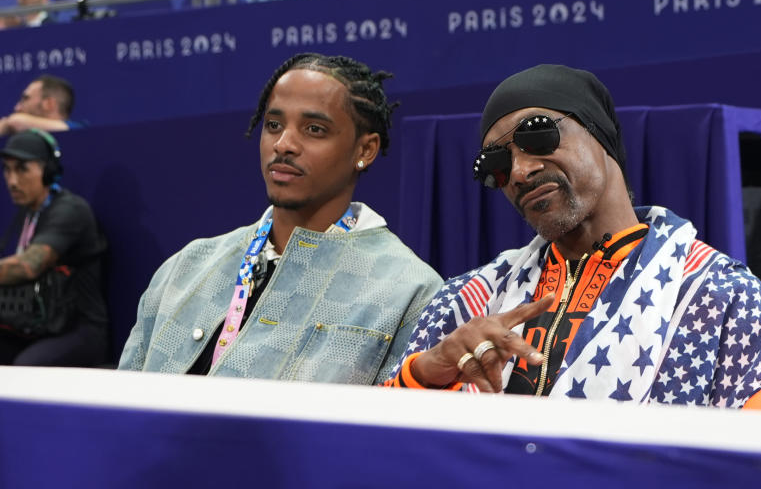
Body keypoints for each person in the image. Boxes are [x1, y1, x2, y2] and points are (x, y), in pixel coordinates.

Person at [386, 65, 761, 410]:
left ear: (600, 133)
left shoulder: (723, 298)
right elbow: (381, 446)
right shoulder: (465, 301)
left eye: (536, 133)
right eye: (496, 163)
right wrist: (427, 372)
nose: (519, 171)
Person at [117, 54, 442, 381]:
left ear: (365, 150)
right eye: (273, 125)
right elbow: (117, 408)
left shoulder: (409, 291)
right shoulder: (185, 267)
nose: (284, 144)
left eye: (314, 129)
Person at [0, 130, 108, 366]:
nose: (12, 180)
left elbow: (28, 266)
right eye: (7, 169)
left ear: (48, 172)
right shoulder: (28, 213)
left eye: (22, 169)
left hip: (80, 331)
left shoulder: (70, 210)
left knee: (25, 370)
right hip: (37, 324)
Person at [0, 75, 80, 135]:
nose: (17, 108)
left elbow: (16, 122)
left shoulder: (79, 130)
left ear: (49, 104)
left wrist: (8, 123)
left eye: (26, 98)